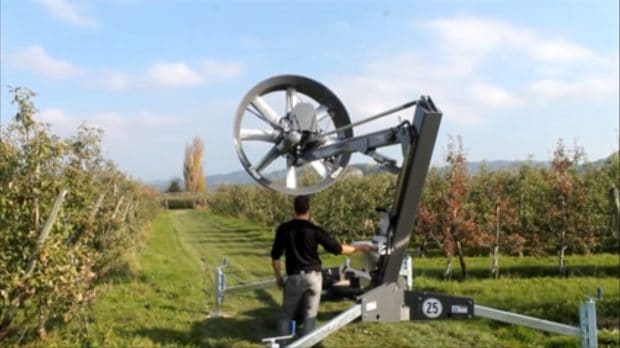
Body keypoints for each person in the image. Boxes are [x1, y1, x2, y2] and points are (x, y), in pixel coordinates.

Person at [270, 195, 374, 338]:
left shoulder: (283, 229)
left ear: (294, 209)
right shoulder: (314, 229)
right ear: (309, 209)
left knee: (286, 314)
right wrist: (360, 248)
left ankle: (281, 344)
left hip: (293, 277)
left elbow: (275, 256)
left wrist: (278, 277)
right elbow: (338, 249)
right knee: (310, 316)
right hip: (313, 278)